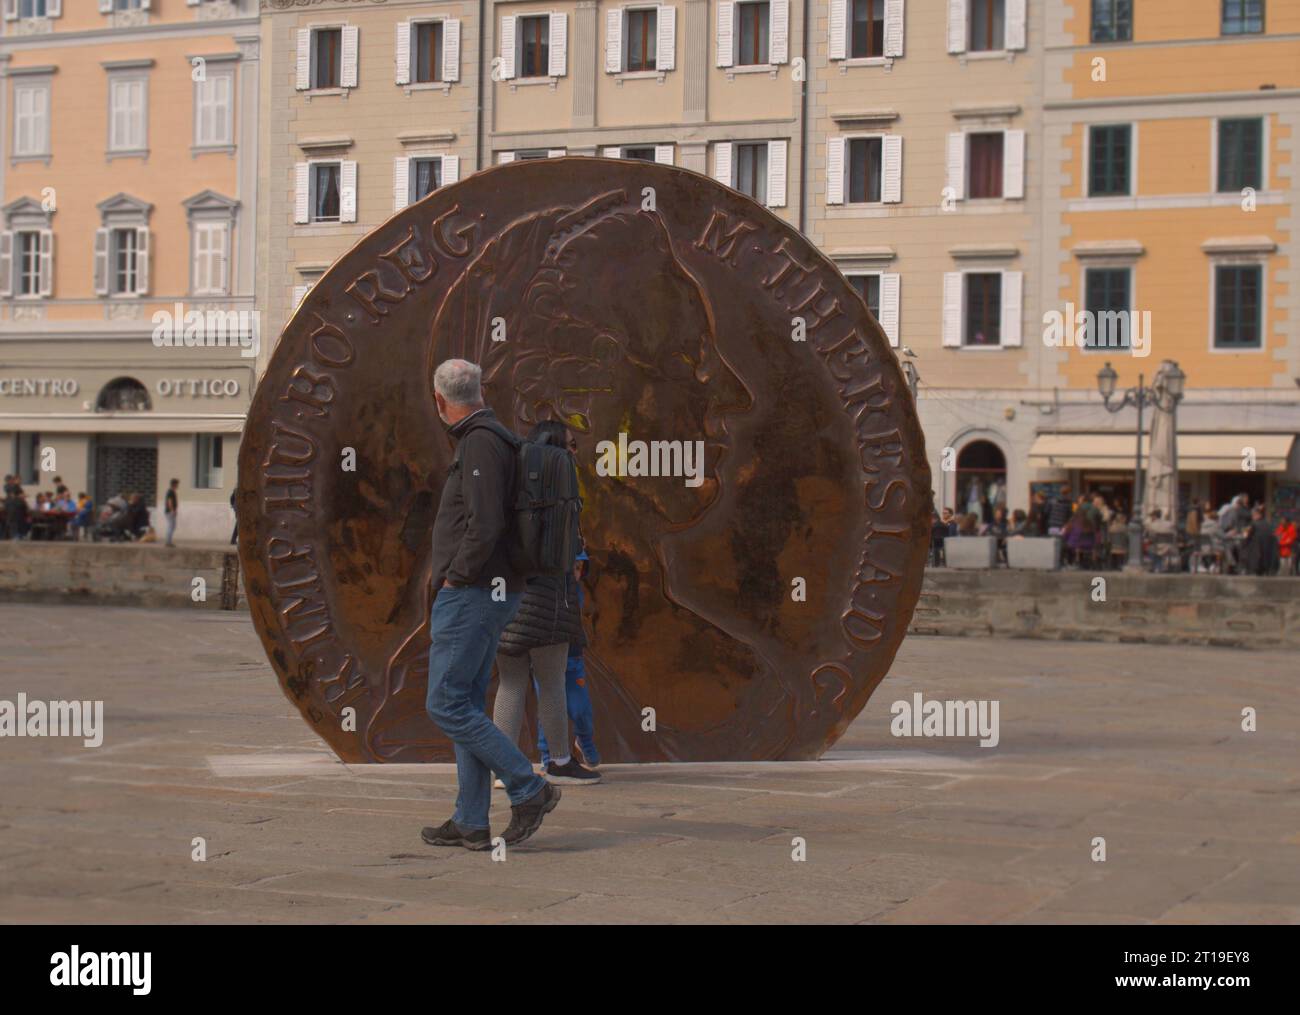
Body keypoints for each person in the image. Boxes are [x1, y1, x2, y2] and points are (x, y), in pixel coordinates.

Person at [421, 359, 559, 852]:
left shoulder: (479, 442)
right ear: (479, 391)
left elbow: (485, 522)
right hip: (492, 590)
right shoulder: (494, 437)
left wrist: (457, 577)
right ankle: (471, 819)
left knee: (445, 702)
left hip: (475, 592)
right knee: (466, 699)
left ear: (441, 401)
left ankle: (529, 789)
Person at [492, 421, 600, 785]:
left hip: (508, 596)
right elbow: (568, 559)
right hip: (549, 599)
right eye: (570, 445)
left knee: (510, 684)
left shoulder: (509, 485)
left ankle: (504, 767)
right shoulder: (561, 499)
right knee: (551, 681)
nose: (573, 452)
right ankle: (558, 761)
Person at [537, 549, 601, 770]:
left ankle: (584, 741)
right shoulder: (544, 591)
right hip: (546, 659)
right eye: (570, 567)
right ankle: (548, 756)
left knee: (580, 708)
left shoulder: (577, 592)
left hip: (572, 659)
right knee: (549, 709)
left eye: (578, 568)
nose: (574, 573)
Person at [1240, 506, 1278, 576]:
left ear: (1258, 515)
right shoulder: (1268, 524)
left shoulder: (1253, 524)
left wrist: (1243, 538)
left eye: (1254, 515)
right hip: (1267, 551)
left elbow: (1246, 534)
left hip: (1257, 549)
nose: (1252, 517)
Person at [163, 478, 179, 548]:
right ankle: (168, 542)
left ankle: (168, 541)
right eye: (177, 484)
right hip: (170, 512)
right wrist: (172, 510)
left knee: (172, 526)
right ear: (174, 484)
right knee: (171, 526)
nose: (178, 486)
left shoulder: (172, 491)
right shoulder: (170, 492)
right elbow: (170, 502)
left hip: (170, 511)